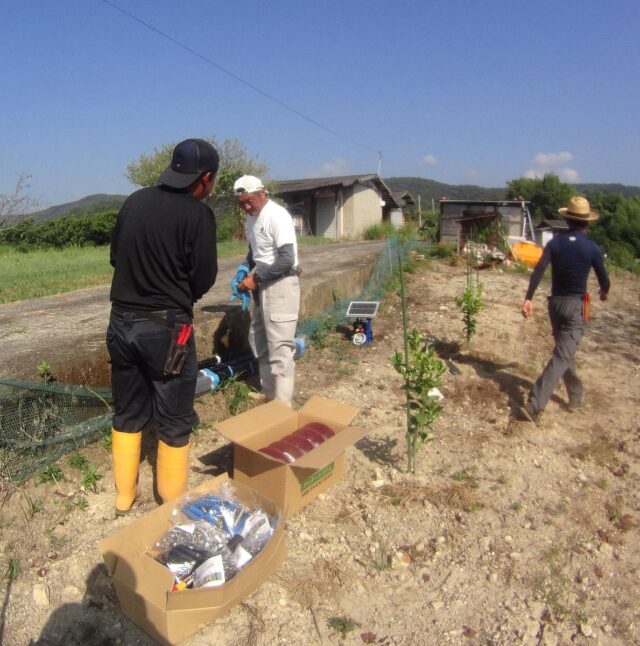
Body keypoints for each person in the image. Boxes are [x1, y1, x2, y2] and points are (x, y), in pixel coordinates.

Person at [107, 138, 219, 514]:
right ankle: (171, 503)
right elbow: (203, 278)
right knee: (173, 417)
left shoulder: (134, 202)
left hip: (121, 323)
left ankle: (124, 498)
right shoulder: (198, 215)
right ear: (204, 179)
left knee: (127, 410)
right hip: (168, 330)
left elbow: (114, 257)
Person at [519, 196, 610, 422]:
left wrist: (528, 298)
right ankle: (534, 404)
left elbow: (539, 269)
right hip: (575, 307)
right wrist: (604, 291)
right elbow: (604, 279)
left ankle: (576, 395)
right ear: (587, 222)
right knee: (562, 355)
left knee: (564, 351)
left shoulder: (554, 244)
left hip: (555, 305)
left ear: (567, 220)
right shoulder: (592, 248)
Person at [231, 175, 300, 406]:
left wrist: (256, 278)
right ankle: (270, 395)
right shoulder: (252, 218)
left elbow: (287, 259)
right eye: (241, 203)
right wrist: (245, 267)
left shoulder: (277, 215)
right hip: (262, 285)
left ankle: (282, 406)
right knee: (259, 338)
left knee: (280, 346)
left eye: (249, 200)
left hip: (281, 285)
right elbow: (256, 252)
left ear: (263, 193)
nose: (246, 207)